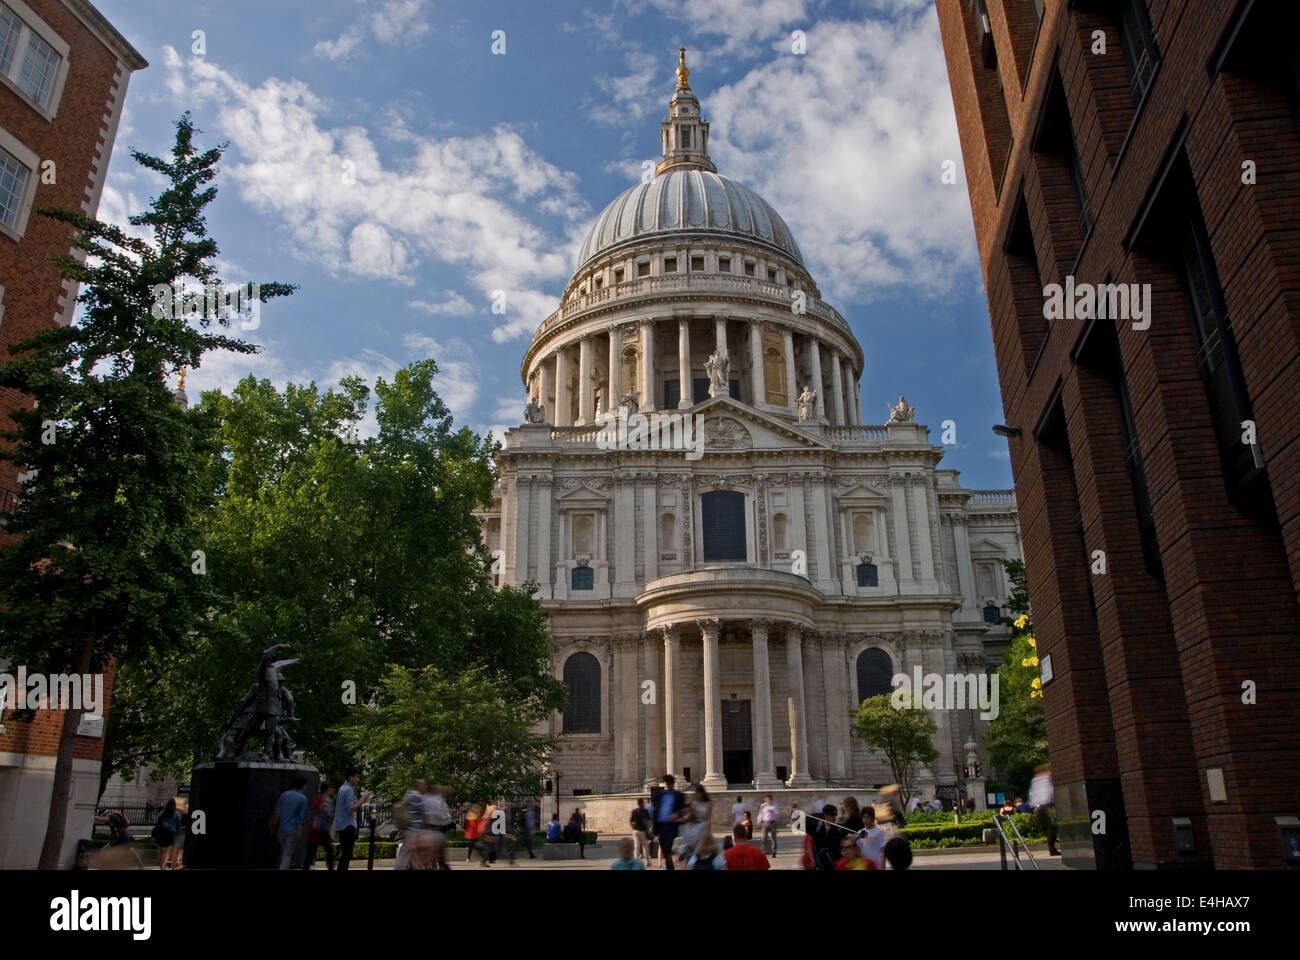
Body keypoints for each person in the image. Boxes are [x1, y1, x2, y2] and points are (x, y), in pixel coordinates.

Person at [334, 768, 369, 870]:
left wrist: (360, 800)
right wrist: (362, 800)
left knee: (345, 853)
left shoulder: (343, 788)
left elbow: (350, 805)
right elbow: (351, 809)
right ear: (350, 777)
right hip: (347, 825)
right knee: (347, 854)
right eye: (356, 777)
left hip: (342, 825)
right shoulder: (348, 790)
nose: (358, 779)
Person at [272, 777, 308, 870]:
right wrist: (300, 830)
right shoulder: (303, 798)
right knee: (287, 854)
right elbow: (301, 817)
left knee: (283, 852)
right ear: (303, 786)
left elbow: (277, 811)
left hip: (281, 829)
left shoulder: (284, 794)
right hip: (293, 830)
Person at [653, 774, 687, 870]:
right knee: (665, 850)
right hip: (661, 826)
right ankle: (671, 866)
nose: (669, 785)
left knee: (669, 848)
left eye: (670, 783)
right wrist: (655, 831)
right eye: (667, 783)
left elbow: (683, 809)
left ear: (673, 783)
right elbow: (656, 810)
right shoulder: (659, 795)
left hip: (672, 825)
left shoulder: (679, 795)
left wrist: (677, 814)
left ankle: (671, 866)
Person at [1028, 765, 1060, 856]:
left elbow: (1033, 795)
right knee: (1052, 828)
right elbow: (1047, 794)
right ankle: (1052, 849)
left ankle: (1052, 848)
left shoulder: (1036, 781)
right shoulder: (1044, 780)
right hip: (1045, 806)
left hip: (1040, 807)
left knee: (1051, 828)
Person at [303, 782, 335, 870]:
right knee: (329, 853)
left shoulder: (316, 799)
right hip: (323, 831)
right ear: (327, 790)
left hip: (314, 830)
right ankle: (331, 867)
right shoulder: (327, 800)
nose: (332, 791)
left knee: (310, 854)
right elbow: (329, 816)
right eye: (331, 789)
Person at [810, 802, 846, 870]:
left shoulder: (839, 830)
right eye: (832, 815)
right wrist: (812, 860)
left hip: (835, 863)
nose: (835, 817)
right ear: (826, 815)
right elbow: (810, 843)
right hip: (820, 863)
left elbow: (847, 841)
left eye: (835, 814)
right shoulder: (817, 829)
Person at [151, 799, 182, 871]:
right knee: (172, 852)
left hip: (162, 834)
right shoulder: (176, 813)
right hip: (171, 834)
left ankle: (162, 868)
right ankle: (172, 868)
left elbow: (158, 823)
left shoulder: (162, 812)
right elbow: (178, 826)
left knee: (163, 852)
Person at [856, 804, 887, 870]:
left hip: (877, 865)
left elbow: (883, 851)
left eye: (867, 817)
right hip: (865, 865)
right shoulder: (860, 832)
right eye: (863, 817)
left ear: (872, 818)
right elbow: (858, 849)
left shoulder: (879, 832)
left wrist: (883, 867)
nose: (865, 820)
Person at [630, 800, 653, 866]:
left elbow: (631, 821)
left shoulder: (634, 811)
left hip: (635, 831)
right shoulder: (645, 811)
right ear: (642, 803)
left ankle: (636, 862)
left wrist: (633, 828)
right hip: (643, 830)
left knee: (636, 847)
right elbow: (649, 821)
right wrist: (648, 828)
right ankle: (648, 862)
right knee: (645, 847)